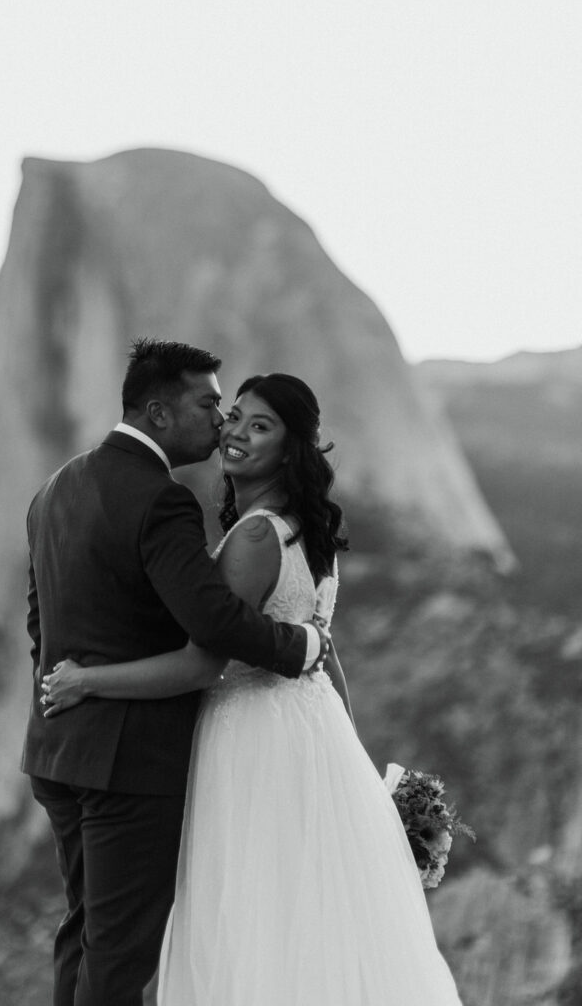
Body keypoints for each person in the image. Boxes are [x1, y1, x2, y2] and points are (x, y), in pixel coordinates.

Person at [42, 373, 464, 1005]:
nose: (235, 431)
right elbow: (326, 659)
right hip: (310, 736)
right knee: (303, 917)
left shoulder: (257, 537)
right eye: (234, 415)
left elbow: (199, 666)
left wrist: (87, 680)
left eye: (259, 426)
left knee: (245, 918)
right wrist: (353, 771)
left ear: (290, 451)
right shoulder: (310, 536)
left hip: (249, 746)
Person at [23, 342, 327, 1006]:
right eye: (211, 404)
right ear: (159, 413)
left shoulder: (55, 488)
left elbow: (40, 625)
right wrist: (299, 647)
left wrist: (65, 688)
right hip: (128, 764)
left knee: (83, 935)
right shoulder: (161, 501)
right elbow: (214, 625)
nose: (221, 422)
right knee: (121, 954)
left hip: (57, 752)